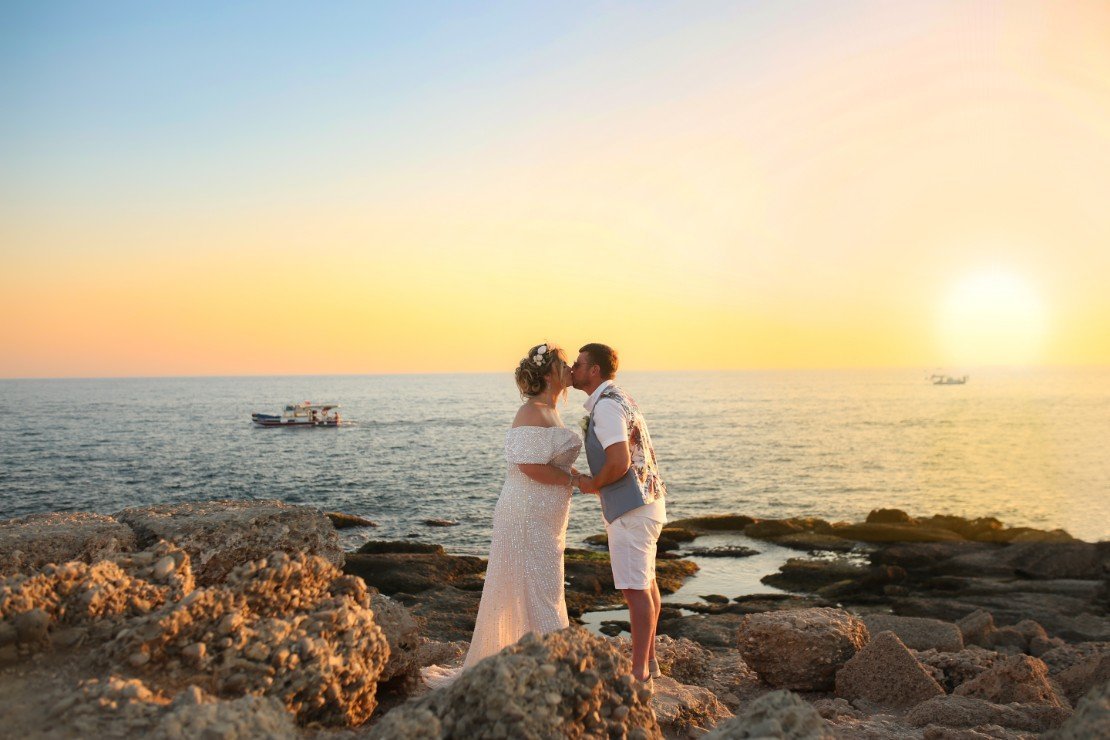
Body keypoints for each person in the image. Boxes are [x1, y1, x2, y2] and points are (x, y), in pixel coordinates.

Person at [423, 343, 581, 687]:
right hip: (525, 512)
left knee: (543, 583)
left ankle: (539, 659)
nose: (570, 371)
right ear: (549, 374)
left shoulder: (550, 410)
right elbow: (528, 466)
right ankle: (549, 664)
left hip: (546, 515)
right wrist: (578, 479)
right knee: (537, 584)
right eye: (565, 366)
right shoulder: (531, 412)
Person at [571, 343, 667, 690]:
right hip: (648, 502)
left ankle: (639, 673)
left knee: (635, 591)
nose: (573, 368)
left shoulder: (608, 408)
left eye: (579, 364)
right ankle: (651, 661)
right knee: (648, 584)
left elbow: (619, 463)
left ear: (594, 370)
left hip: (631, 509)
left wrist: (591, 484)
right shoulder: (619, 397)